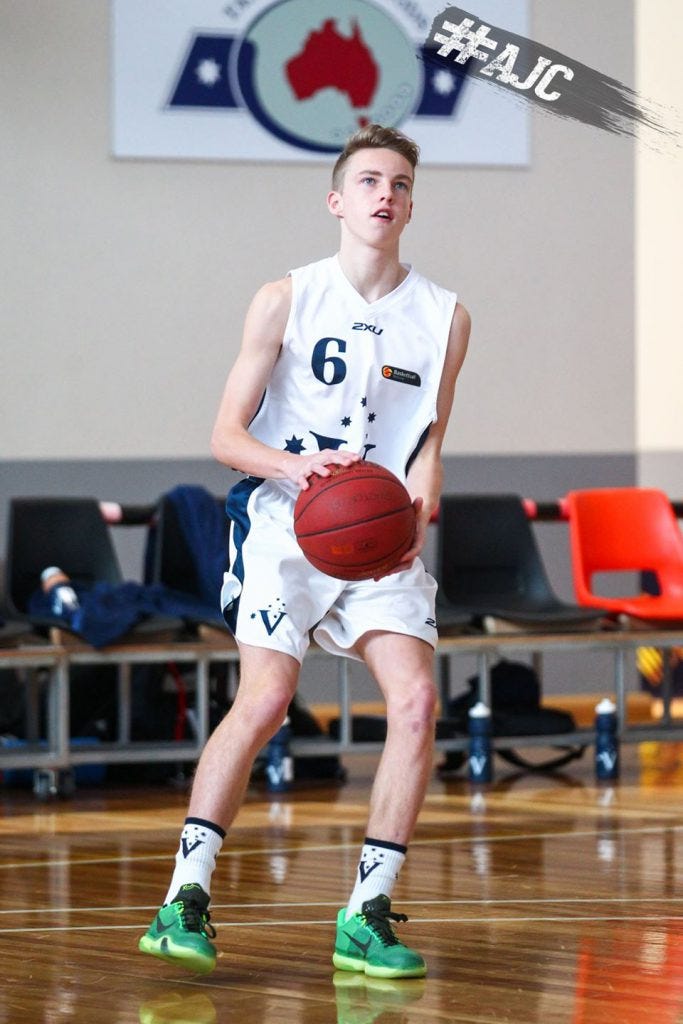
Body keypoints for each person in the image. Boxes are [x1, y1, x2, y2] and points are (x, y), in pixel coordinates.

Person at [139, 123, 470, 979]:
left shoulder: (445, 318)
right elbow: (224, 436)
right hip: (287, 526)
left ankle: (366, 912)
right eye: (369, 181)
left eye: (399, 184)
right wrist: (294, 468)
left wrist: (419, 509)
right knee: (266, 699)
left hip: (378, 536)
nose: (385, 195)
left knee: (416, 702)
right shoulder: (283, 298)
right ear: (337, 200)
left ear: (411, 205)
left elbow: (428, 444)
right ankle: (183, 897)